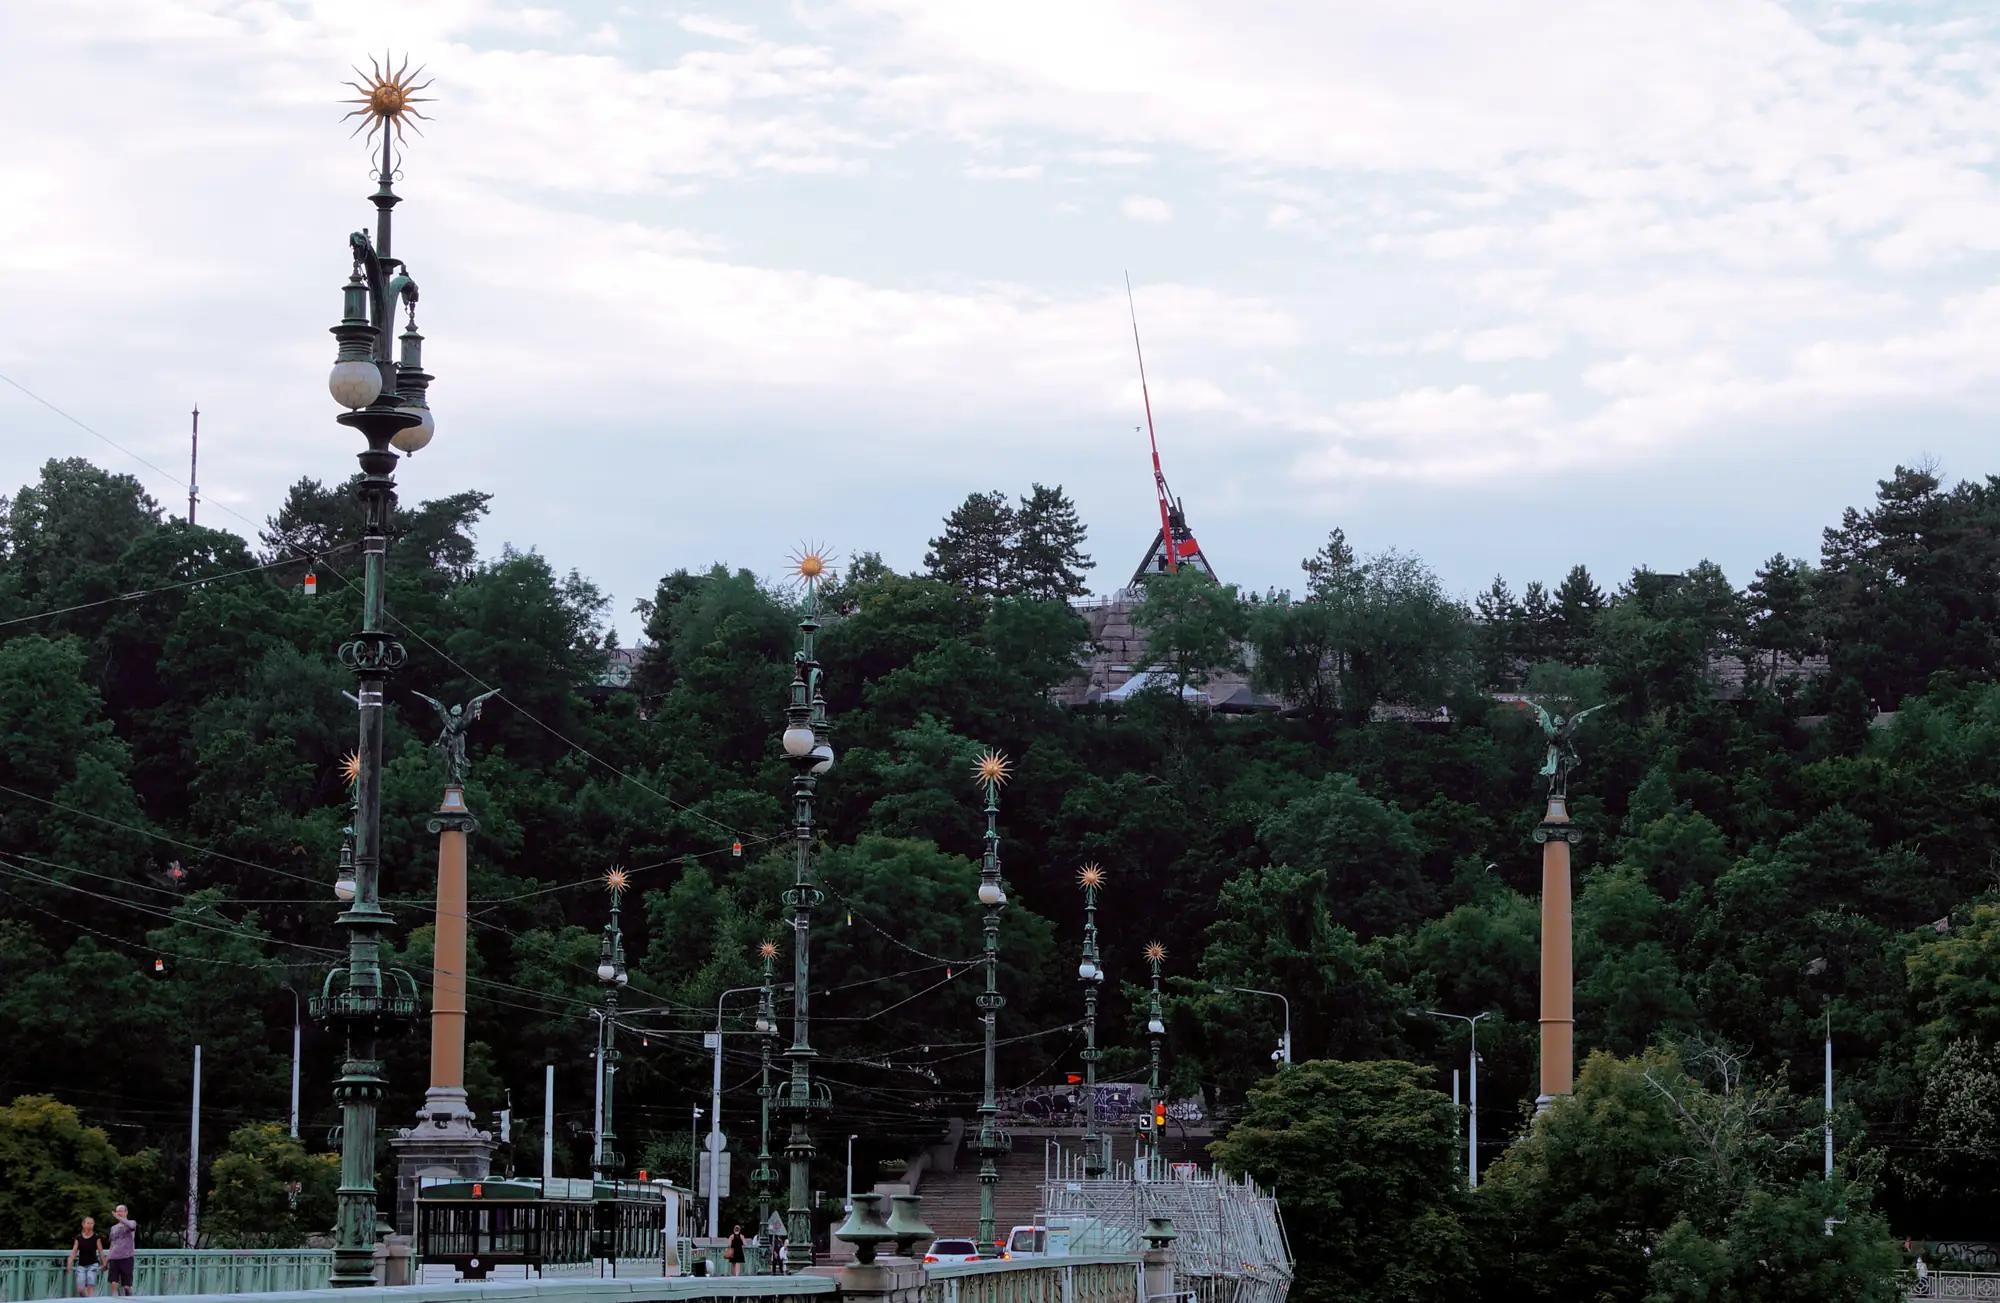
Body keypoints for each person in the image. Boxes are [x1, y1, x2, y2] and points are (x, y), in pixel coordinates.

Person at [104, 1205, 137, 1297]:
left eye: (121, 1211)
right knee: (114, 1284)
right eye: (117, 1211)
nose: (119, 1213)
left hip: (127, 1257)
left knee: (127, 1286)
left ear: (126, 1212)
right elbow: (112, 1244)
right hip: (114, 1258)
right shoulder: (113, 1228)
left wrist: (118, 1217)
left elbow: (131, 1226)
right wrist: (106, 1261)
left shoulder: (132, 1223)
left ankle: (130, 1298)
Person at [67, 1217, 104, 1297]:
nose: (90, 1225)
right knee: (80, 1289)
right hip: (81, 1265)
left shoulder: (96, 1237)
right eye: (88, 1223)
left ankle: (90, 1300)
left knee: (90, 1286)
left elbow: (100, 1251)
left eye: (91, 1223)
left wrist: (104, 1263)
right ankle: (86, 1300)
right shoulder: (79, 1238)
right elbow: (74, 1251)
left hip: (93, 1264)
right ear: (83, 1224)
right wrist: (69, 1263)